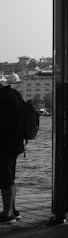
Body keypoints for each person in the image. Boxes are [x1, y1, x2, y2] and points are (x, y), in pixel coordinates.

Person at [0, 81, 24, 223]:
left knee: (5, 179)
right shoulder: (14, 93)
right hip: (15, 144)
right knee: (9, 178)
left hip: (4, 145)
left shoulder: (3, 98)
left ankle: (7, 214)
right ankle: (13, 211)